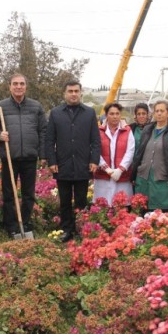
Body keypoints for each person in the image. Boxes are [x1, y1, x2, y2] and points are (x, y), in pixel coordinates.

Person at [0, 74, 47, 239]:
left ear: (26, 86)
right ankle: (11, 225)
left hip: (29, 157)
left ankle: (25, 223)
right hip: (10, 158)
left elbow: (43, 130)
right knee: (9, 194)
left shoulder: (36, 107)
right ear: (10, 86)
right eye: (15, 84)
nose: (18, 87)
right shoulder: (0, 106)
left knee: (28, 194)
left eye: (21, 84)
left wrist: (42, 154)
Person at [45, 81, 101, 242]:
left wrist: (94, 160)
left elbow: (95, 140)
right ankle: (66, 230)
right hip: (62, 165)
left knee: (82, 200)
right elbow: (50, 140)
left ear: (81, 93)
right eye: (70, 91)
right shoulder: (55, 113)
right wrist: (51, 161)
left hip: (83, 165)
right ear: (65, 93)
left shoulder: (89, 113)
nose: (73, 94)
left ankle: (82, 229)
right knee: (64, 200)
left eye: (76, 91)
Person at [131, 100, 168, 211]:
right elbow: (139, 153)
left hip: (166, 179)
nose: (159, 113)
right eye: (157, 111)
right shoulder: (147, 130)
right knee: (145, 212)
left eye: (162, 111)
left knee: (166, 214)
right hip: (145, 178)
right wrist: (134, 173)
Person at [93, 103, 135, 206]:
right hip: (103, 176)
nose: (115, 116)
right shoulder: (98, 131)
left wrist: (120, 170)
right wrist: (107, 169)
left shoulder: (127, 131)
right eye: (111, 114)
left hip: (122, 176)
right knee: (103, 208)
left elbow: (130, 151)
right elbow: (95, 151)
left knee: (122, 206)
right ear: (106, 115)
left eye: (117, 113)